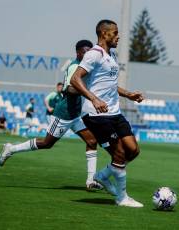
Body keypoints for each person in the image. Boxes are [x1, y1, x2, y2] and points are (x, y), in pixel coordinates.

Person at [0, 39, 103, 190]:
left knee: (92, 141)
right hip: (64, 113)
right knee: (47, 143)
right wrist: (89, 95)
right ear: (78, 53)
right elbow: (69, 90)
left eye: (90, 52)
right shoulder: (74, 67)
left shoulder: (85, 67)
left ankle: (90, 181)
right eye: (85, 51)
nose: (88, 54)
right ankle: (11, 149)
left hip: (75, 115)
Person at [70, 20, 145, 208]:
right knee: (119, 153)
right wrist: (94, 99)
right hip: (96, 115)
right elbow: (75, 79)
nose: (118, 36)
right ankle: (122, 198)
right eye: (115, 33)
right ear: (104, 33)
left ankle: (102, 176)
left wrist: (128, 94)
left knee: (133, 150)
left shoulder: (111, 54)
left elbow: (109, 83)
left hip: (114, 112)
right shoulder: (93, 54)